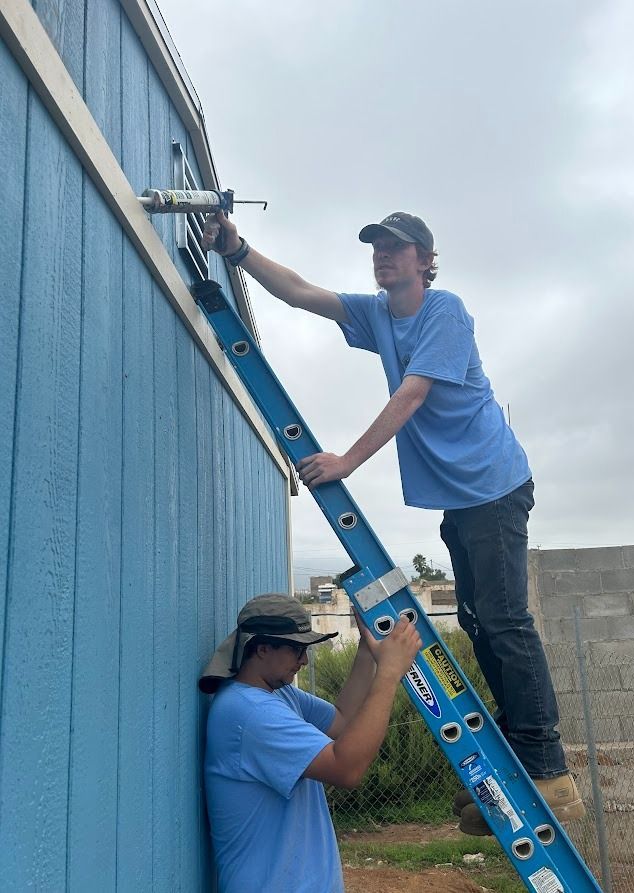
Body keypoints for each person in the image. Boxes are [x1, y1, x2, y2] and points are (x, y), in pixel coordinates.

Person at [201, 211, 584, 836]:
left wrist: (347, 460)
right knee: (480, 620)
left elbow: (411, 394)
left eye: (397, 249)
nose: (384, 257)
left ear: (425, 258)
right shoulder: (377, 312)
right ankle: (519, 761)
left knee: (506, 618)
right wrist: (238, 249)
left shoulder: (445, 311)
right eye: (377, 248)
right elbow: (302, 292)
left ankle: (547, 768)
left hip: (494, 485)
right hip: (461, 500)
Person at [199, 593, 421, 892]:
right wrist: (390, 673)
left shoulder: (277, 694)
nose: (304, 659)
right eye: (296, 649)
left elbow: (342, 722)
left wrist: (367, 651)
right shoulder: (250, 713)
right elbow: (347, 768)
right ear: (262, 648)